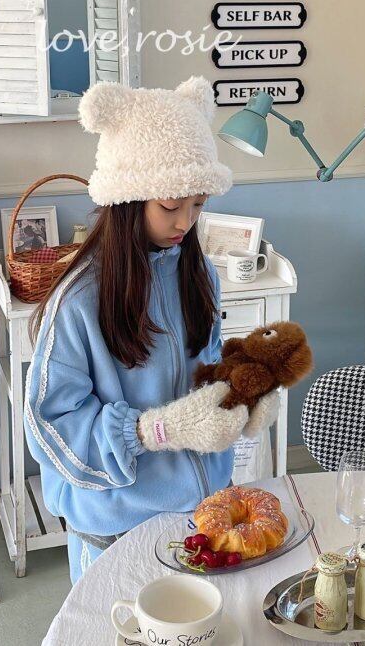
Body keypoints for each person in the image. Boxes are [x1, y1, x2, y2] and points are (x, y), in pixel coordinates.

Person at [24, 76, 279, 583]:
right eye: (170, 206)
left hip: (202, 511)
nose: (185, 222)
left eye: (198, 204)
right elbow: (50, 427)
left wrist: (240, 392)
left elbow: (204, 366)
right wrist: (149, 431)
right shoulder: (79, 300)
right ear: (128, 197)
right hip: (118, 525)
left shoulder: (196, 272)